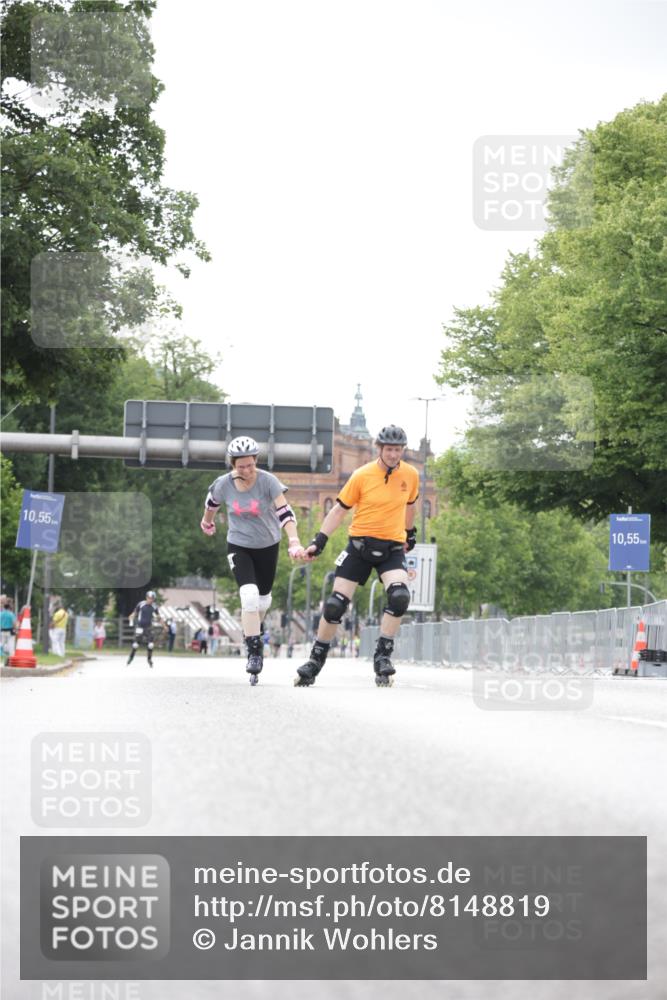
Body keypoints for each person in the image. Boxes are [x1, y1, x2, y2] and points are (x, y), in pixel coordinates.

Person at [295, 424, 419, 687]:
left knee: (399, 596)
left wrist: (409, 533)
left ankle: (382, 656)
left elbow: (410, 505)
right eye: (389, 450)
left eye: (398, 450)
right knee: (335, 604)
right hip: (359, 546)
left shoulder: (411, 475)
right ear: (379, 449)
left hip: (392, 548)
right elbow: (339, 510)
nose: (394, 455)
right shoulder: (361, 475)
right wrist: (319, 541)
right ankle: (315, 659)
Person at [200, 435, 305, 684]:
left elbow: (285, 512)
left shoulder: (269, 482)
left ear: (256, 461)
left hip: (268, 545)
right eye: (240, 466)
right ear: (232, 464)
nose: (246, 470)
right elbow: (211, 503)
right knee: (248, 595)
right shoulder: (223, 484)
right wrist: (207, 521)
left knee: (262, 600)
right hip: (239, 545)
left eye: (250, 465)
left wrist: (294, 540)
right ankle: (254, 651)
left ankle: (254, 631)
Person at [127, 591, 159, 667]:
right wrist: (131, 616)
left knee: (151, 645)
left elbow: (159, 616)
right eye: (149, 598)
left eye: (152, 599)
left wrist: (164, 626)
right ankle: (131, 657)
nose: (150, 600)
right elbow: (134, 613)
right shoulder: (141, 604)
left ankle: (149, 659)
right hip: (140, 627)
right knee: (135, 645)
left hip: (148, 627)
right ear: (146, 597)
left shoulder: (154, 606)